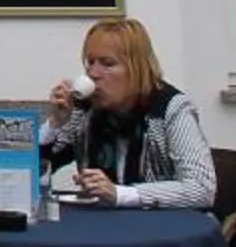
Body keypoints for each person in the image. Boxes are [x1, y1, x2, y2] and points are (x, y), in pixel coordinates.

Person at [43, 18, 212, 208]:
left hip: (161, 225)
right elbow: (34, 169)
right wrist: (55, 123)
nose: (93, 73)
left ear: (137, 68)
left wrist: (120, 194)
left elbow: (201, 189)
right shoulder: (84, 108)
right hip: (101, 225)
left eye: (107, 64)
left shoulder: (170, 108)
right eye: (90, 62)